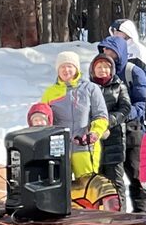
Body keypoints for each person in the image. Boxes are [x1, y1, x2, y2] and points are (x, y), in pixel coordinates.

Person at [42, 50, 109, 180]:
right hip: (59, 148)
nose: (66, 70)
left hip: (84, 146)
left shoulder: (91, 88)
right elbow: (42, 115)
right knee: (59, 188)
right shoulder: (50, 92)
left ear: (76, 68)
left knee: (86, 188)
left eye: (69, 66)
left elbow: (101, 116)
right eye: (62, 66)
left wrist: (94, 133)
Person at [88, 52, 134, 211]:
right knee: (96, 182)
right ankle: (97, 216)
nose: (102, 70)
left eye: (106, 67)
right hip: (93, 141)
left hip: (114, 139)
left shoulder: (119, 86)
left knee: (116, 181)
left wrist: (107, 122)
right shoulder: (88, 88)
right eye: (99, 67)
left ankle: (119, 215)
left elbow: (125, 108)